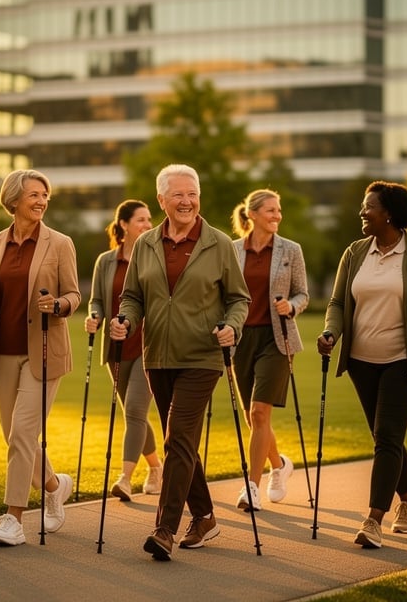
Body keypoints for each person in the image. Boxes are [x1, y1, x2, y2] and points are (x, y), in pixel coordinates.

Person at [109, 164, 250, 561]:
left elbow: (239, 298)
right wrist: (126, 321)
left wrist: (232, 327)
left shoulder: (219, 243)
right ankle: (204, 516)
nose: (187, 201)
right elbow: (133, 297)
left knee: (177, 439)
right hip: (157, 355)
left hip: (203, 355)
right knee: (182, 443)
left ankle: (165, 528)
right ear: (161, 200)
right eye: (178, 195)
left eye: (193, 194)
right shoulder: (147, 243)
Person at [317, 181, 407, 550]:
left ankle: (373, 519)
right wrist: (331, 332)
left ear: (388, 213)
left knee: (387, 435)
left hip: (404, 361)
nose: (362, 212)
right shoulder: (355, 252)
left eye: (368, 207)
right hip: (361, 361)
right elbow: (338, 303)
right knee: (383, 437)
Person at [0, 168, 81, 545]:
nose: (42, 201)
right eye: (34, 194)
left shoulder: (59, 243)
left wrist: (58, 304)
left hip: (44, 352)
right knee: (15, 437)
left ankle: (13, 520)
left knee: (22, 434)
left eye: (45, 195)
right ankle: (53, 486)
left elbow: (74, 296)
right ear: (13, 199)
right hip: (2, 353)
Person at [229, 189, 309, 511]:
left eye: (279, 211)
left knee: (261, 412)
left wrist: (291, 305)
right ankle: (279, 465)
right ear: (253, 215)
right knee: (252, 417)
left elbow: (303, 294)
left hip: (277, 341)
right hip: (241, 340)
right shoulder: (232, 250)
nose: (277, 216)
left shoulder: (291, 250)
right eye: (271, 211)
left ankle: (251, 487)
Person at [85, 200, 163, 501]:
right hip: (116, 349)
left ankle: (125, 478)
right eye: (141, 220)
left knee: (133, 411)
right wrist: (94, 317)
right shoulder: (106, 261)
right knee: (137, 416)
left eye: (148, 219)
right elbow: (97, 301)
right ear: (124, 226)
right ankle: (156, 467)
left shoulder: (155, 258)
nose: (147, 224)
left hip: (149, 345)